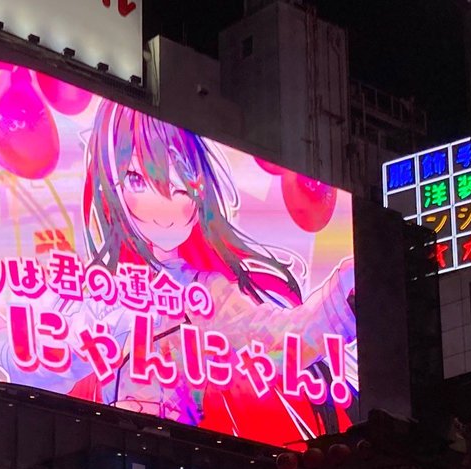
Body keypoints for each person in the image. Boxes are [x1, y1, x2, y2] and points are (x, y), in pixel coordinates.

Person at [76, 99, 357, 440]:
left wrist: (341, 299)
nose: (163, 209)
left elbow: (278, 338)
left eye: (181, 188)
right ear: (111, 184)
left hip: (180, 452)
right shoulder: (94, 292)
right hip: (101, 445)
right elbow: (45, 364)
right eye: (137, 180)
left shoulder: (206, 293)